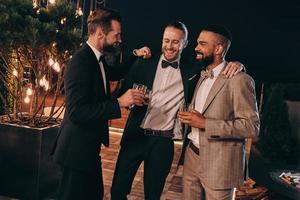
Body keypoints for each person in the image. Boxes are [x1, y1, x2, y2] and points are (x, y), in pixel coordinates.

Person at [110, 21, 243, 200]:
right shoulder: (144, 63)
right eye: (166, 40)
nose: (169, 46)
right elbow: (124, 92)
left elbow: (218, 66)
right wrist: (131, 102)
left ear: (185, 44)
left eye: (175, 42)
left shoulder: (194, 70)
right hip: (136, 135)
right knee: (118, 191)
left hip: (163, 143)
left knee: (153, 195)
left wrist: (238, 64)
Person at [52, 8, 151, 200]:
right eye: (117, 34)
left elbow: (114, 73)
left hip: (87, 149)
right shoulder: (80, 63)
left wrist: (134, 55)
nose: (119, 39)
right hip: (75, 151)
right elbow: (77, 112)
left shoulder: (97, 58)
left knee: (95, 195)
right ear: (100, 33)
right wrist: (120, 102)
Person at [178, 25, 260, 200]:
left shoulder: (239, 80)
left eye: (202, 44)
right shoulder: (202, 75)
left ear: (218, 48)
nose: (196, 47)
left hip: (220, 165)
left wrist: (206, 124)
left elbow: (251, 127)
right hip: (192, 156)